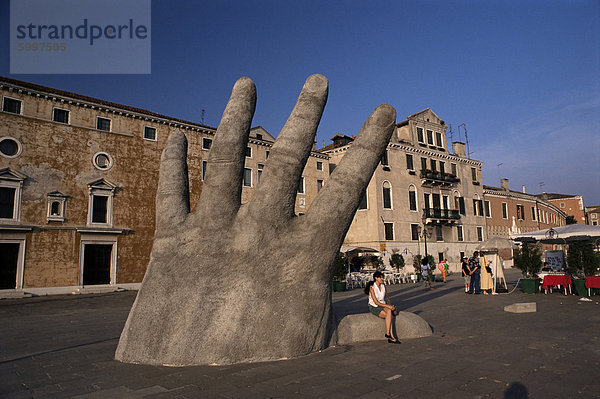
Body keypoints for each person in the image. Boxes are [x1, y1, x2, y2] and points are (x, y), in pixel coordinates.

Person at [365, 271, 400, 344]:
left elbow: (383, 299)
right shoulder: (372, 288)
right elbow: (376, 302)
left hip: (382, 305)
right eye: (380, 277)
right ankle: (391, 337)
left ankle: (388, 334)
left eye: (382, 277)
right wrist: (388, 306)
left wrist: (389, 307)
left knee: (389, 312)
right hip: (374, 306)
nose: (382, 279)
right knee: (389, 316)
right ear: (376, 278)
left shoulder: (383, 286)